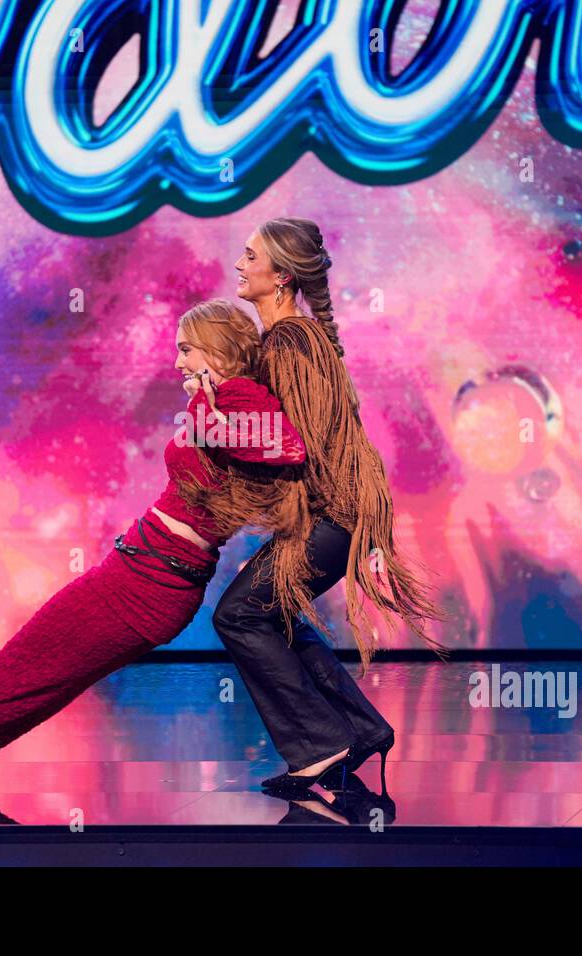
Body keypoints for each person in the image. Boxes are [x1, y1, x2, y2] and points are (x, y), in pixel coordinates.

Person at [0, 299, 307, 789]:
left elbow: (289, 447)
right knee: (23, 684)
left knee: (14, 682)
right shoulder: (223, 399)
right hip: (141, 575)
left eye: (187, 350)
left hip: (147, 585)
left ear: (217, 347)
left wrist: (208, 408)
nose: (179, 362)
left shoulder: (240, 397)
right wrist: (206, 405)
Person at [204, 217, 447, 797]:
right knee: (273, 614)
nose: (239, 264)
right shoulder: (294, 339)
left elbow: (293, 442)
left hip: (332, 515)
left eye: (250, 256)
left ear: (282, 275)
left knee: (239, 615)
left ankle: (317, 746)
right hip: (337, 514)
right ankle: (361, 730)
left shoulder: (288, 341)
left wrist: (216, 421)